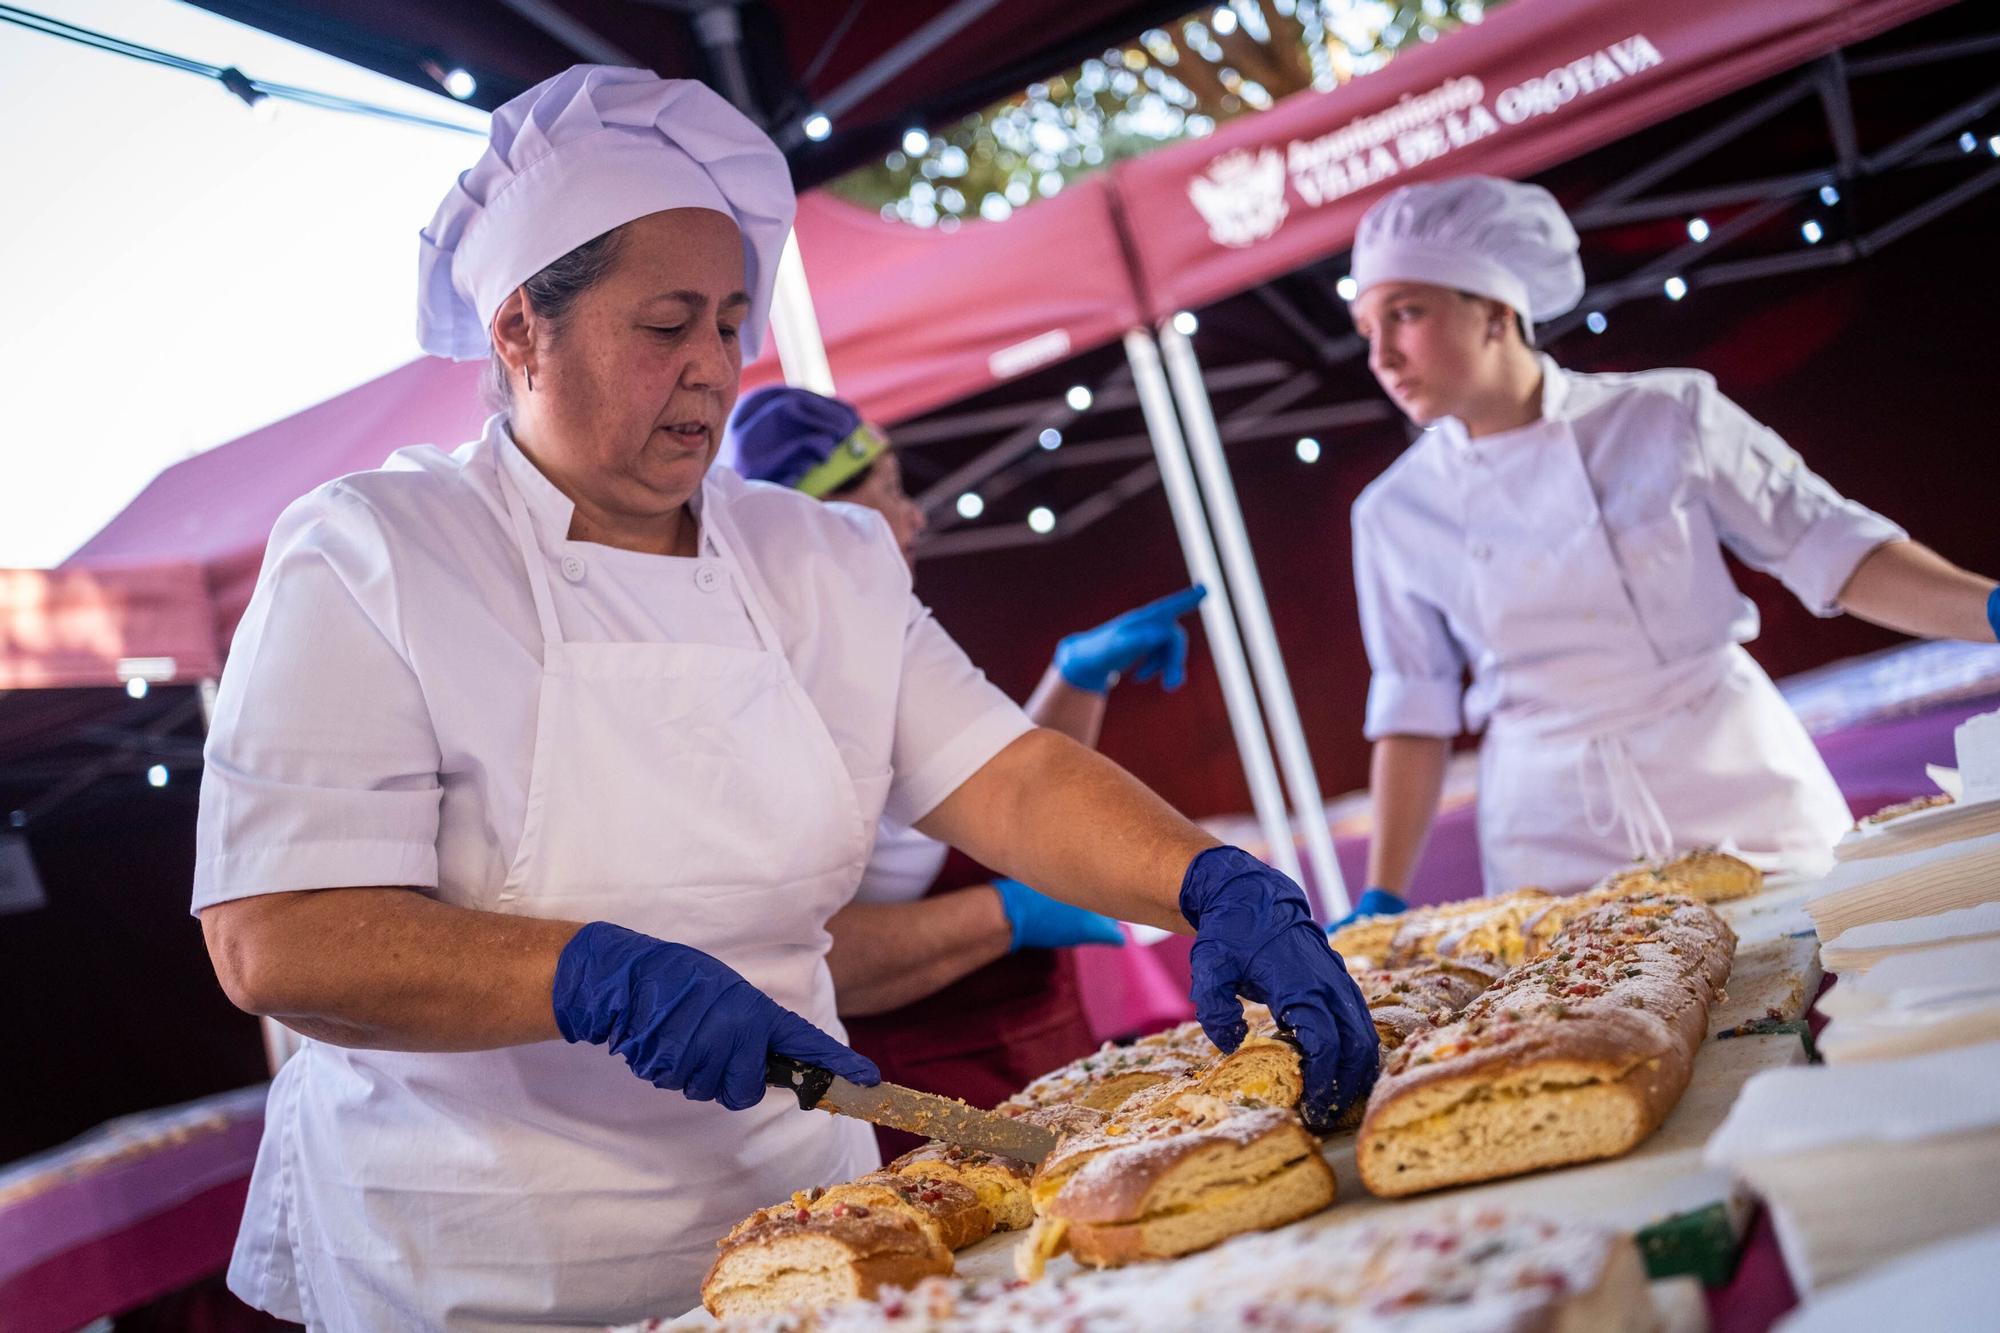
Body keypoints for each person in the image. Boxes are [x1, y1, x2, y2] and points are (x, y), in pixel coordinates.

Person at [192, 66, 1376, 1331]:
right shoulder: (375, 552)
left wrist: (1206, 881)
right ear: (519, 328)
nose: (711, 367)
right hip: (486, 1263)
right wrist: (586, 974)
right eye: (666, 326)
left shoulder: (817, 555)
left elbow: (1011, 775)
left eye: (728, 322)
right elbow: (275, 936)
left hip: (815, 1231)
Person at [1339, 174, 1999, 918]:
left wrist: (1992, 611)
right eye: (1368, 328)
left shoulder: (1667, 414)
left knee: (1845, 978)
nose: (1383, 356)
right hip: (1551, 833)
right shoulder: (1393, 512)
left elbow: (1834, 548)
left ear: (1495, 309)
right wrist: (1383, 891)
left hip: (1735, 783)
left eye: (1405, 314)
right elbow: (1413, 709)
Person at [725, 385, 1206, 1133]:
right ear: (814, 522)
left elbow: (1003, 791)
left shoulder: (888, 635)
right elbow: (809, 956)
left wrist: (1075, 679)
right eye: (888, 492)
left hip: (1041, 1049)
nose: (915, 515)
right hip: (921, 1088)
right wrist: (1008, 913)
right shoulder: (764, 697)